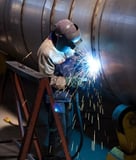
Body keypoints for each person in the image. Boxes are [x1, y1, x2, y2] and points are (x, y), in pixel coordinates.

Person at [37, 19, 84, 157]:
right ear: (59, 38)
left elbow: (74, 53)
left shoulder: (69, 42)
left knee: (68, 126)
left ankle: (63, 153)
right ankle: (55, 156)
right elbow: (46, 80)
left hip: (67, 94)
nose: (72, 47)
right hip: (54, 97)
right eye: (69, 44)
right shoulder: (46, 51)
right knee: (58, 129)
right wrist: (69, 81)